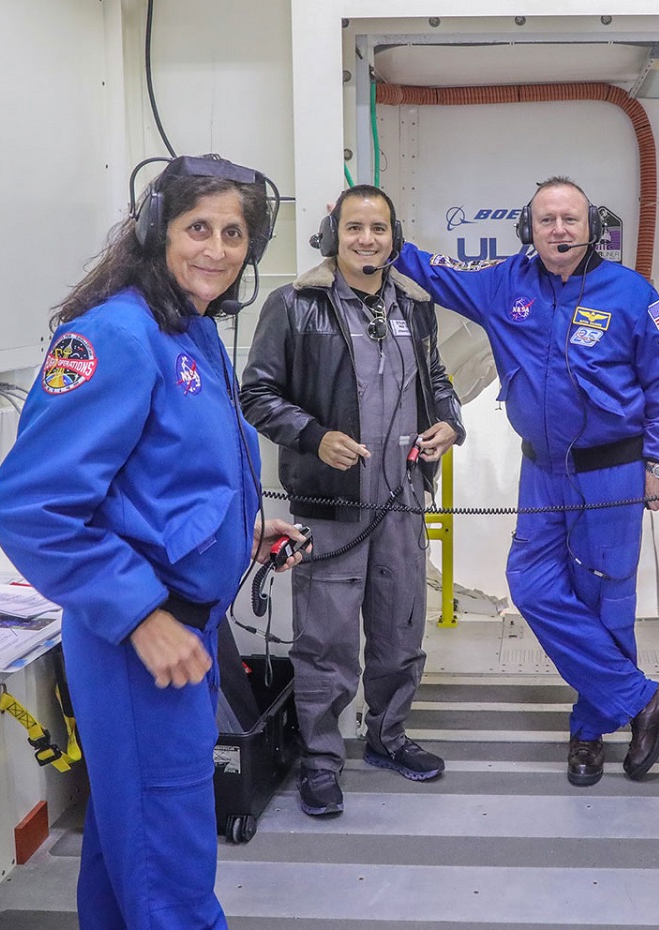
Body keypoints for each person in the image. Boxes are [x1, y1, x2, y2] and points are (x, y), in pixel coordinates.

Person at [0, 154, 309, 930]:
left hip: (183, 629)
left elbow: (162, 476)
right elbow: (33, 507)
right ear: (154, 230)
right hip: (140, 644)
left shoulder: (188, 328)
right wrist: (140, 615)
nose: (219, 248)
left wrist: (240, 526)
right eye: (199, 228)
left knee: (126, 841)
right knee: (169, 863)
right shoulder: (119, 335)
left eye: (235, 233)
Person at [391, 176, 659, 786]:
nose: (560, 229)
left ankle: (589, 733)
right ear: (528, 230)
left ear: (592, 228)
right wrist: (379, 237)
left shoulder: (633, 294)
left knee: (605, 603)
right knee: (529, 587)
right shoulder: (504, 284)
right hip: (542, 472)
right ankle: (641, 701)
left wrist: (658, 464)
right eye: (547, 219)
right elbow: (435, 273)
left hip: (612, 473)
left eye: (572, 220)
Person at [240, 185, 465, 815]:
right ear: (332, 235)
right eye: (355, 228)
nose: (367, 240)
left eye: (380, 229)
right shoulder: (294, 305)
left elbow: (437, 382)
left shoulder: (416, 307)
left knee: (400, 631)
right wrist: (315, 437)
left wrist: (450, 424)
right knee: (327, 641)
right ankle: (320, 759)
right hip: (331, 506)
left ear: (395, 238)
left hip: (402, 500)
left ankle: (388, 737)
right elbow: (257, 393)